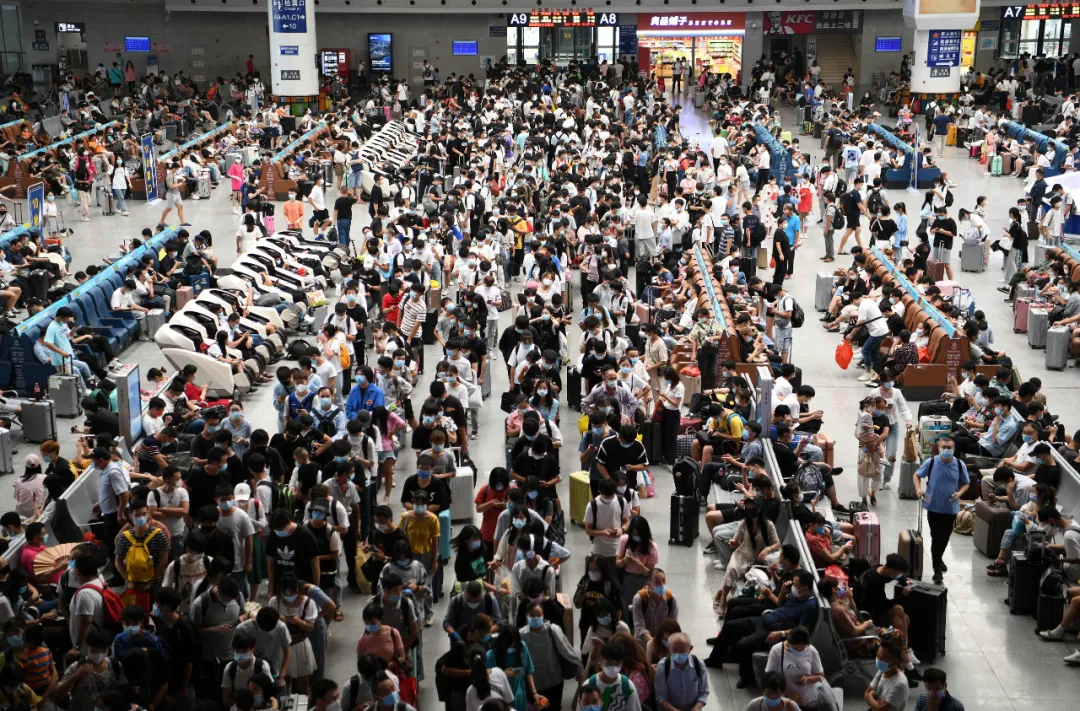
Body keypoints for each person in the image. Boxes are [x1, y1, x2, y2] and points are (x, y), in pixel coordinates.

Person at [913, 436, 970, 584]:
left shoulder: (959, 464)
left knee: (944, 537)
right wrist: (918, 489)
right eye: (943, 447)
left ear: (954, 449)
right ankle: (937, 568)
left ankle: (938, 558)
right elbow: (917, 475)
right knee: (936, 537)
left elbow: (966, 483)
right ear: (939, 448)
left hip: (951, 508)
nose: (946, 450)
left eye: (949, 448)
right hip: (933, 507)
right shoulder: (931, 462)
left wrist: (960, 493)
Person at [763, 625, 824, 711]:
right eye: (795, 649)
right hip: (787, 703)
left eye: (802, 649)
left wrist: (807, 679)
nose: (799, 652)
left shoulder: (811, 650)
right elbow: (770, 677)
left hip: (809, 702)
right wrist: (790, 694)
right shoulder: (777, 651)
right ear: (788, 642)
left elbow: (821, 676)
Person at [653, 632, 709, 711]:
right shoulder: (663, 666)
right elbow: (661, 697)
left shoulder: (698, 664)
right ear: (669, 648)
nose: (678, 653)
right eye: (675, 649)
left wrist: (696, 708)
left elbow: (703, 692)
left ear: (690, 648)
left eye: (682, 649)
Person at [864, 643, 908, 711]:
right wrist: (876, 703)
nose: (877, 660)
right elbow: (866, 693)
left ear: (894, 661)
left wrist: (870, 695)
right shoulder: (882, 671)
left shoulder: (899, 684)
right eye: (877, 655)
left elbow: (880, 709)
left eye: (881, 658)